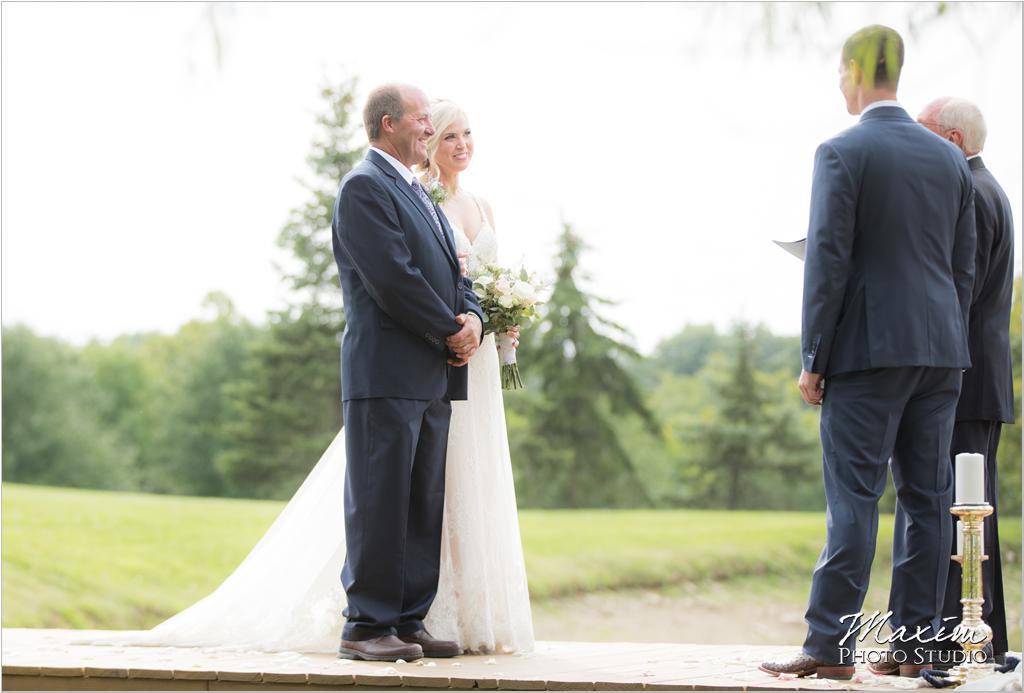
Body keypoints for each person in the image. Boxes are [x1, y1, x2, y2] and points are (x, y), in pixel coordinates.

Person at [74, 86, 533, 660]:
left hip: (435, 376)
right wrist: (450, 328)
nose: (429, 130)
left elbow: (451, 272)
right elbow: (393, 279)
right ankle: (367, 627)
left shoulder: (418, 191)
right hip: (386, 371)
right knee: (379, 502)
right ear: (389, 125)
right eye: (421, 121)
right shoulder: (365, 187)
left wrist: (474, 316)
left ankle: (408, 619)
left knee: (421, 503)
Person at [759, 25, 976, 680]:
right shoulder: (948, 159)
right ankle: (913, 644)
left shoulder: (840, 151)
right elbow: (962, 268)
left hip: (866, 352)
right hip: (940, 350)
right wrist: (945, 336)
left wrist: (813, 355)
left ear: (854, 71)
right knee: (927, 499)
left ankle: (829, 644)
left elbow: (826, 261)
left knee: (854, 496)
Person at [417, 99, 535, 654]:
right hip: (447, 352)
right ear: (430, 142)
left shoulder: (484, 204)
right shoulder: (422, 199)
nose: (461, 145)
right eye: (448, 137)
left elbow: (490, 278)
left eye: (467, 134)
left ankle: (479, 613)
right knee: (445, 475)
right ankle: (436, 611)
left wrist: (505, 319)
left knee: (479, 474)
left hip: (484, 356)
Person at [917, 97, 1013, 665]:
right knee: (973, 515)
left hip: (963, 376)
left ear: (950, 139)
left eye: (925, 133)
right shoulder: (986, 187)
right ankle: (979, 638)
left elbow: (959, 292)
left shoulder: (972, 195)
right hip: (979, 375)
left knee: (963, 515)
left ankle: (958, 642)